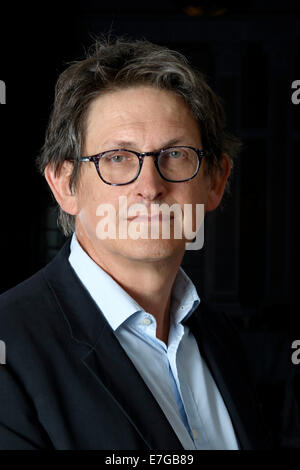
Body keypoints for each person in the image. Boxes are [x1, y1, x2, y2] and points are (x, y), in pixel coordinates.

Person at [0, 37, 273, 450]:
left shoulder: (222, 340)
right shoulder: (10, 348)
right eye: (117, 158)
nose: (150, 186)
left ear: (216, 182)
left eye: (176, 154)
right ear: (63, 184)